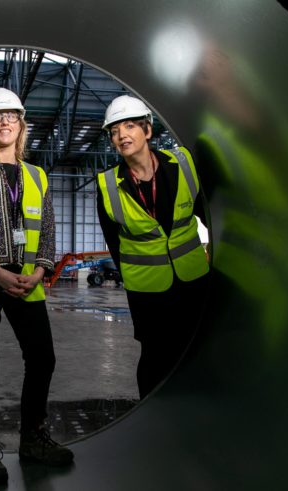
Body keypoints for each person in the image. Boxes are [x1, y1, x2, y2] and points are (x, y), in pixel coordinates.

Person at [0, 87, 73, 484]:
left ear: (21, 125)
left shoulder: (37, 175)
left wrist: (39, 272)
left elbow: (49, 231)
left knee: (43, 358)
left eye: (12, 116)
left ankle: (33, 436)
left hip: (27, 280)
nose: (5, 122)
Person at [96, 95, 210, 399]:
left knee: (195, 350)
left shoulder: (183, 164)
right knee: (155, 358)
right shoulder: (107, 184)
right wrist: (135, 274)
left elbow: (209, 214)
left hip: (192, 279)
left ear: (147, 130)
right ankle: (153, 416)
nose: (122, 135)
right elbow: (113, 242)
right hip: (147, 290)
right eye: (114, 131)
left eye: (129, 126)